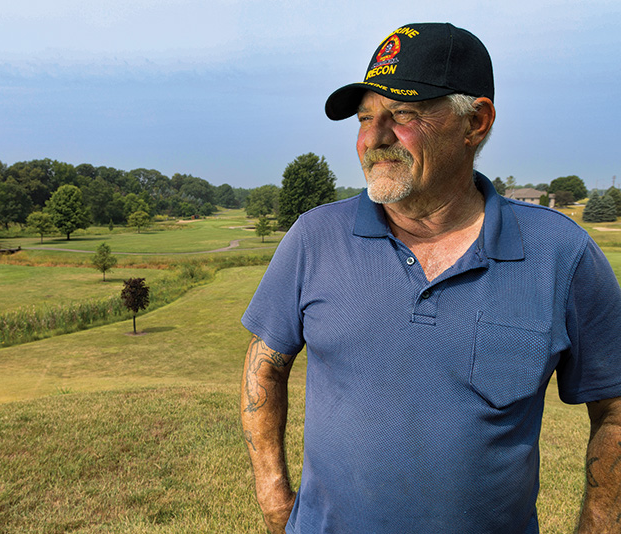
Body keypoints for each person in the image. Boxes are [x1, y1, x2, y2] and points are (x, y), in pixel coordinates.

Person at [240, 22, 621, 534]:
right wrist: (273, 498)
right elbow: (264, 367)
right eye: (365, 117)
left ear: (476, 122)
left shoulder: (560, 253)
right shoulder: (315, 237)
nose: (374, 138)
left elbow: (614, 409)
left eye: (402, 114)